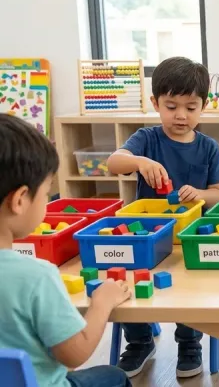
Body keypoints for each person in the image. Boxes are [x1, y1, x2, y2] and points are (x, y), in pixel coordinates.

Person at [107, 56, 219, 379]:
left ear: (204, 105)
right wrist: (139, 162)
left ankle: (190, 344)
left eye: (191, 107)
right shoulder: (146, 139)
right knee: (128, 280)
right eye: (171, 106)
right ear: (155, 103)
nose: (180, 115)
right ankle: (140, 341)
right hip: (146, 236)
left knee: (189, 290)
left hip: (188, 238)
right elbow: (114, 162)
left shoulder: (208, 147)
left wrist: (201, 195)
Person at [0, 115, 132, 387]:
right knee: (114, 376)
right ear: (20, 200)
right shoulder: (35, 276)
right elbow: (75, 354)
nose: (47, 201)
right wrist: (102, 303)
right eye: (48, 193)